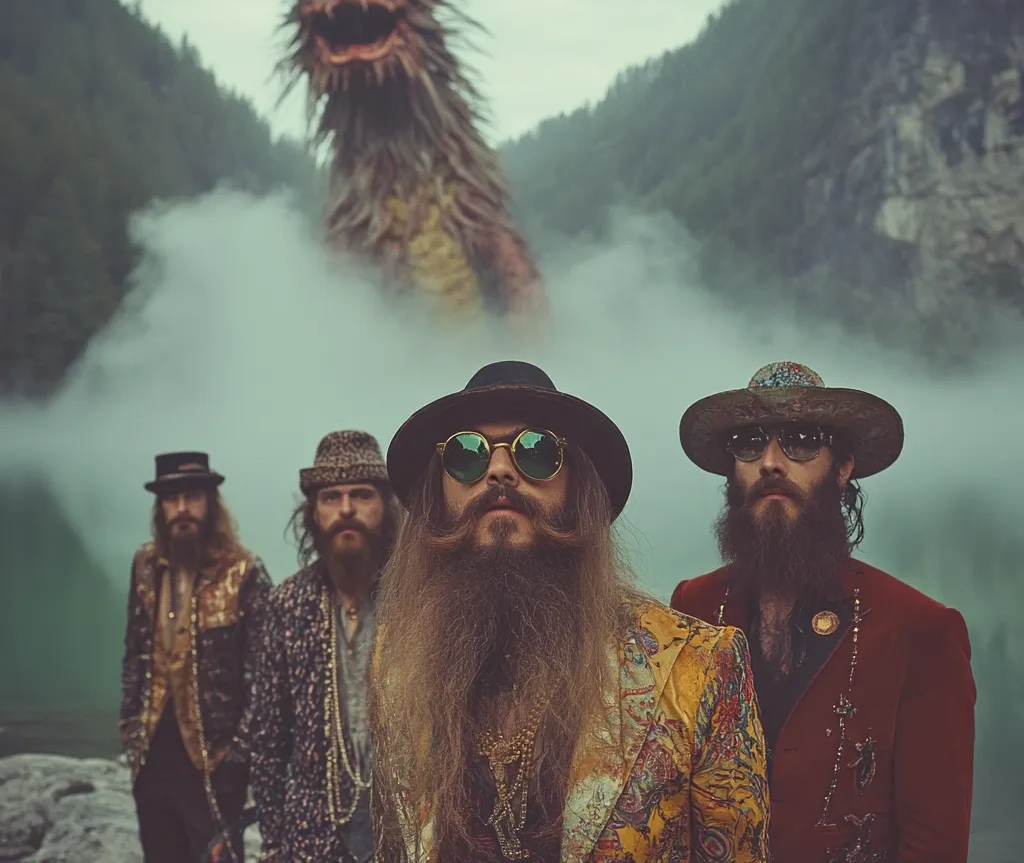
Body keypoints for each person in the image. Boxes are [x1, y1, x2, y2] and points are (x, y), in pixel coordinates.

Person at [370, 360, 771, 862]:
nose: (498, 469)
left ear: (577, 486)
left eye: (534, 451)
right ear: (438, 495)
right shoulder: (396, 664)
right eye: (466, 453)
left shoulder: (700, 665)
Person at [671, 361, 977, 863]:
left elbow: (935, 845)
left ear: (842, 467)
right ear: (733, 469)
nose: (771, 462)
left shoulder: (921, 628)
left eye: (803, 440)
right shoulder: (694, 606)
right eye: (749, 442)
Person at [251, 430, 401, 863]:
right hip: (311, 834)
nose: (347, 510)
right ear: (313, 513)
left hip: (402, 831)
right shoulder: (287, 603)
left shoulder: (417, 600)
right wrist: (275, 841)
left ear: (387, 507)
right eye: (331, 497)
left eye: (362, 495)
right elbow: (267, 737)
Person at [120, 452, 273, 863]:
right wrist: (130, 727)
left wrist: (239, 753)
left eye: (192, 497)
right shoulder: (146, 565)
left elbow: (266, 671)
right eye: (171, 498)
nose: (182, 509)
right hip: (152, 749)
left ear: (210, 503)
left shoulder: (243, 571)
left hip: (214, 754)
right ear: (160, 507)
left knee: (217, 855)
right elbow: (135, 651)